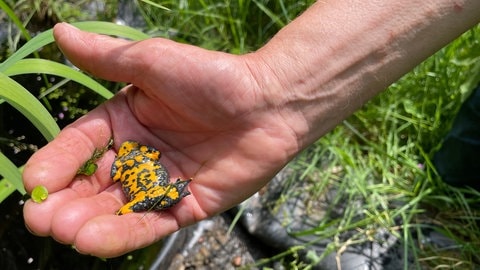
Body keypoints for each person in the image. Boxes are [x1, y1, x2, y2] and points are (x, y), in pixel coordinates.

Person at [22, 0, 480, 258]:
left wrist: (149, 182)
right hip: (155, 185)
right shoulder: (135, 162)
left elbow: (140, 169)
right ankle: (446, 184)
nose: (127, 157)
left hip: (156, 186)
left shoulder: (136, 161)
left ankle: (442, 207)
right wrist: (275, 87)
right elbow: (138, 168)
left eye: (128, 157)